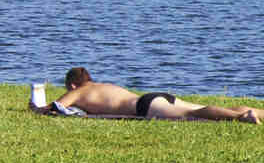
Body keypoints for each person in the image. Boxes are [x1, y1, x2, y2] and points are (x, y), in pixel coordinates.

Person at [37, 66, 259, 123]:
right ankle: (253, 112)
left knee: (195, 114)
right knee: (196, 108)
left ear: (73, 85)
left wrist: (36, 107)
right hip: (154, 97)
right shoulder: (102, 86)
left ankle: (241, 118)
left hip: (144, 106)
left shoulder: (79, 92)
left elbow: (55, 107)